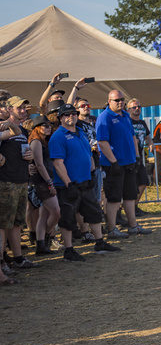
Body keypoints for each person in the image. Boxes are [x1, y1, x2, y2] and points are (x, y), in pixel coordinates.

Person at [51, 104, 121, 262]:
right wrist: (68, 184)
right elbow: (57, 163)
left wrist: (91, 172)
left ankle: (100, 242)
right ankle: (69, 250)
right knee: (68, 219)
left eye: (73, 114)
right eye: (67, 115)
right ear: (60, 118)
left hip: (85, 182)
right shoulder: (58, 136)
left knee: (94, 213)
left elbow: (88, 153)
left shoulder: (81, 132)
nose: (71, 117)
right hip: (69, 185)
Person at [96, 90, 152, 236]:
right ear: (109, 101)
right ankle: (112, 229)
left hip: (129, 162)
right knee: (114, 197)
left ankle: (133, 226)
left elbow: (133, 137)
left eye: (122, 100)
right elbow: (102, 142)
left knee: (130, 195)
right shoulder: (104, 117)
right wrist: (113, 161)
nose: (120, 102)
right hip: (113, 164)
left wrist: (137, 156)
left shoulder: (126, 116)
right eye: (116, 100)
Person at [0, 97, 37, 271]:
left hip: (21, 180)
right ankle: (2, 263)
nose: (23, 111)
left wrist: (30, 158)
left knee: (16, 224)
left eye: (24, 108)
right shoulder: (2, 126)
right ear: (9, 109)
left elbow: (24, 152)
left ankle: (18, 258)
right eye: (18, 108)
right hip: (6, 181)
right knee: (3, 224)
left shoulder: (22, 129)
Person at [27, 115, 60, 255]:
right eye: (45, 125)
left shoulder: (45, 141)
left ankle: (41, 244)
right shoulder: (35, 142)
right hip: (41, 181)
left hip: (47, 179)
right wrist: (49, 183)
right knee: (56, 212)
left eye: (49, 125)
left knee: (45, 213)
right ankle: (46, 238)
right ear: (37, 128)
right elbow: (39, 165)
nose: (49, 128)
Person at [126, 98, 153, 216]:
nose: (137, 109)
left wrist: (151, 143)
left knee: (144, 181)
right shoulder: (127, 122)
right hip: (128, 156)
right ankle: (128, 208)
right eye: (134, 107)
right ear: (128, 110)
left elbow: (147, 136)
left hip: (139, 156)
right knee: (130, 184)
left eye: (139, 107)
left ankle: (135, 206)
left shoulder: (142, 123)